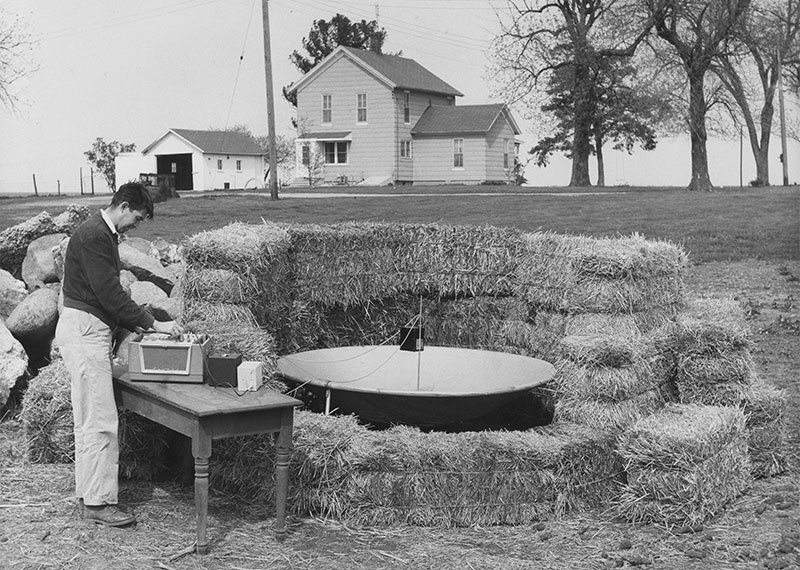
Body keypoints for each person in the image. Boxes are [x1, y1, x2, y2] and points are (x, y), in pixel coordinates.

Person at [55, 182, 183, 527]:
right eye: (136, 218)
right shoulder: (96, 235)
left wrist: (133, 323)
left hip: (83, 326)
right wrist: (152, 323)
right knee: (101, 420)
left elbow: (105, 295)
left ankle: (88, 495)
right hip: (85, 331)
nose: (135, 226)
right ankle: (99, 503)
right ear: (123, 206)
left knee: (88, 421)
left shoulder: (100, 233)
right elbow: (109, 292)